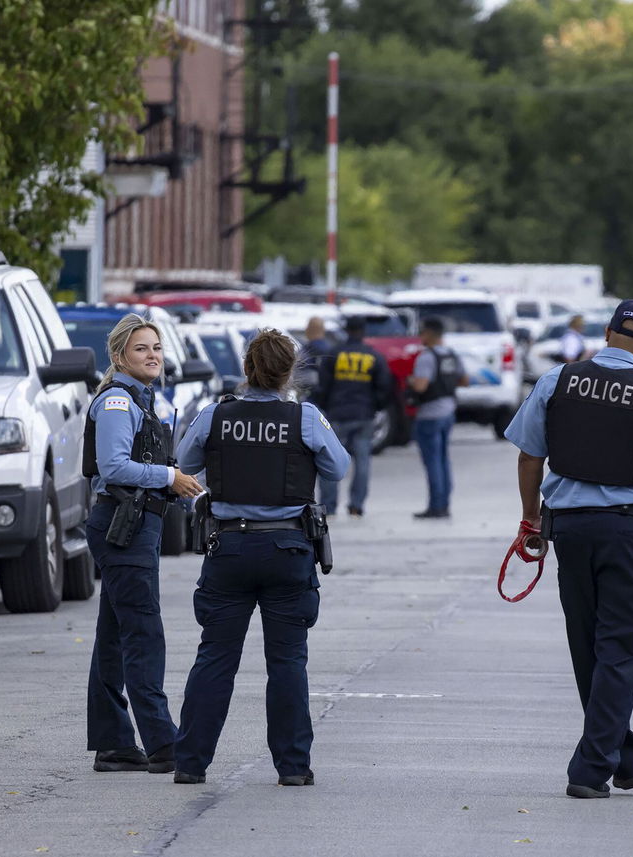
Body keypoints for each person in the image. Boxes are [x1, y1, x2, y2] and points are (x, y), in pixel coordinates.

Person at [505, 299, 633, 799]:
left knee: (588, 644)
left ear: (608, 334)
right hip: (627, 533)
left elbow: (530, 456)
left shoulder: (557, 379)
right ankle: (590, 769)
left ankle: (624, 754)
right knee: (621, 646)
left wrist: (531, 519)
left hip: (568, 529)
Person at [172, 329, 350, 786]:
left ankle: (190, 764)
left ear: (246, 367)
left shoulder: (215, 415)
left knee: (214, 657)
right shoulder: (304, 417)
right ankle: (292, 768)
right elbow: (338, 468)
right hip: (287, 549)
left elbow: (184, 463)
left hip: (229, 549)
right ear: (290, 370)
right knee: (288, 662)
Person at [84, 314, 203, 774]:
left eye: (156, 347)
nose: (153, 355)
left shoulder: (141, 398)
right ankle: (162, 743)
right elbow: (112, 468)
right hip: (122, 526)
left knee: (114, 637)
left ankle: (113, 743)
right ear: (118, 357)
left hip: (134, 526)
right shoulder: (117, 401)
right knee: (143, 635)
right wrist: (169, 477)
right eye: (141, 349)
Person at [313, 316, 392, 517]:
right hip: (363, 414)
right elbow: (384, 386)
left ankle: (328, 506)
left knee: (330, 460)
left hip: (337, 414)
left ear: (346, 331)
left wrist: (325, 406)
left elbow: (322, 386)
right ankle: (356, 505)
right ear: (363, 331)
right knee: (363, 461)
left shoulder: (335, 354)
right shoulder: (373, 356)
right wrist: (375, 407)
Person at [408, 317, 468, 519]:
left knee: (432, 461)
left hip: (430, 414)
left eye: (422, 333)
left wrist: (411, 382)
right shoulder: (451, 355)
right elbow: (465, 379)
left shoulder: (426, 357)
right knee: (443, 459)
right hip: (448, 411)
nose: (420, 337)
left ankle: (435, 507)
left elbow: (421, 386)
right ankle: (444, 504)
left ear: (430, 334)